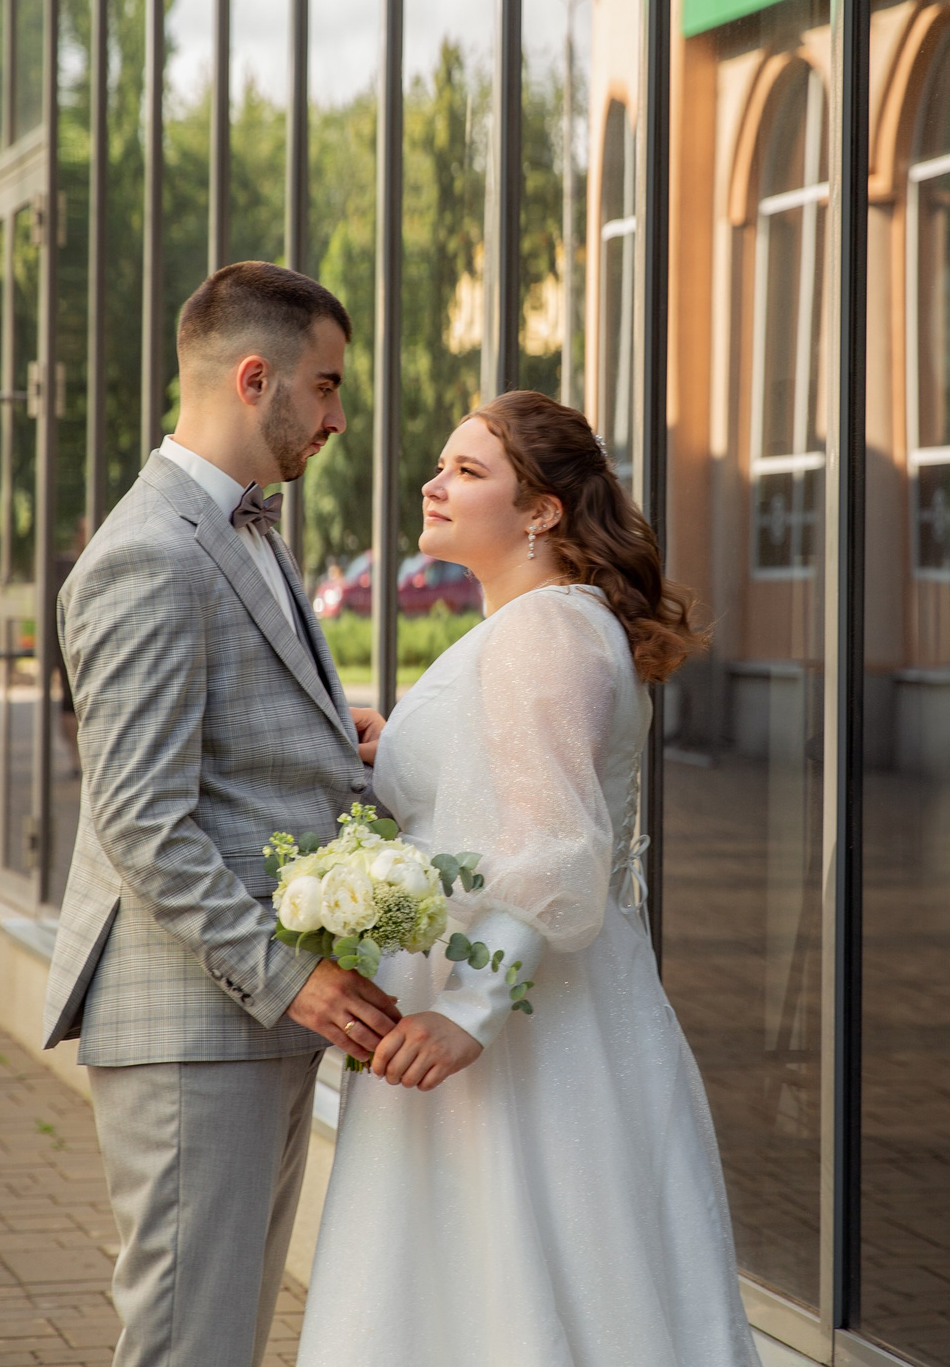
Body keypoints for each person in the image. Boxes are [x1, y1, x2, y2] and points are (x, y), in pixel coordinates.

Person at [296, 391, 758, 1367]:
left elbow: (559, 853)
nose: (435, 483)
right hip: (515, 1005)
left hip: (526, 1028)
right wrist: (398, 753)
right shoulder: (536, 623)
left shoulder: (545, 632)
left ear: (542, 509)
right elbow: (498, 795)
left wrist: (469, 1011)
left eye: (469, 472)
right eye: (442, 464)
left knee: (520, 1287)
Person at [41, 262, 399, 1367]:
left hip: (245, 1024)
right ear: (256, 378)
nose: (338, 417)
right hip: (197, 1021)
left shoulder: (244, 528)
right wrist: (294, 977)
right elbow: (144, 820)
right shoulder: (151, 552)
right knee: (190, 1343)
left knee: (225, 1336)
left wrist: (335, 739)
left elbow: (225, 741)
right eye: (327, 387)